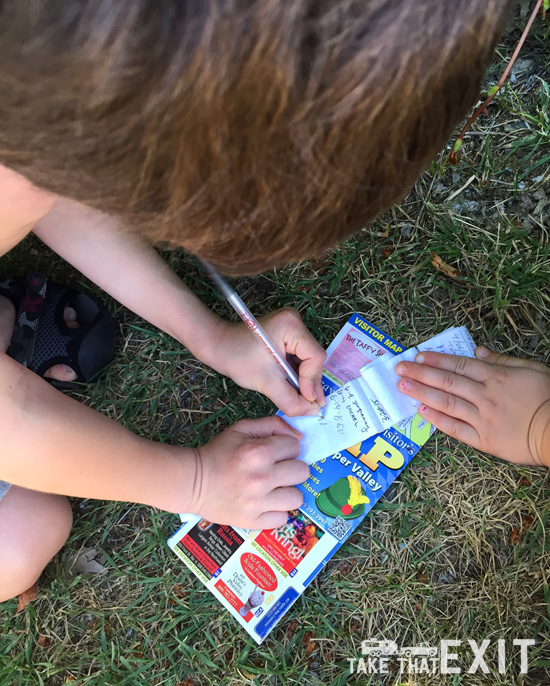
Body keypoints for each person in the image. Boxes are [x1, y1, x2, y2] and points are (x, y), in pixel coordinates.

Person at [1, 0, 544, 606]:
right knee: (23, 542)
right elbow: (10, 423)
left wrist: (211, 336)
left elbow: (56, 178)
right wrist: (195, 482)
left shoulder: (45, 97)